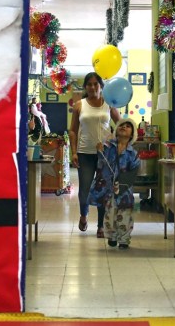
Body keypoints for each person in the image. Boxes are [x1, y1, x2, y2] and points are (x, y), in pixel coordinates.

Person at [69, 72, 121, 238]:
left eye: (95, 84)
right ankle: (83, 215)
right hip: (84, 153)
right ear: (85, 87)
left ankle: (100, 226)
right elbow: (73, 131)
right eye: (89, 84)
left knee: (103, 191)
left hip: (104, 155)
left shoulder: (109, 105)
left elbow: (121, 126)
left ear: (101, 86)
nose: (92, 87)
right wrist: (74, 152)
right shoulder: (79, 105)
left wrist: (111, 140)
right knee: (84, 190)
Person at [88, 118, 140, 249]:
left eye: (128, 126)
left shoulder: (133, 153)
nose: (124, 127)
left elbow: (134, 172)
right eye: (122, 125)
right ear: (116, 130)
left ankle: (124, 239)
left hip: (124, 190)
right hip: (108, 188)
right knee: (110, 214)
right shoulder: (108, 147)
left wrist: (122, 185)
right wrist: (99, 151)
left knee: (125, 215)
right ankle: (111, 236)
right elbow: (100, 164)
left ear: (132, 134)